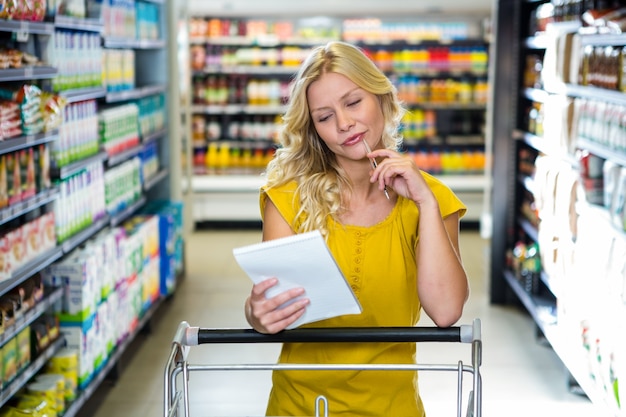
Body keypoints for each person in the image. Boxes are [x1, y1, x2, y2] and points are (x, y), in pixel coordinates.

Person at [244, 40, 470, 416]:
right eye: (324, 116)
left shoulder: (432, 199)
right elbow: (274, 308)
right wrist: (257, 314)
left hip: (393, 407)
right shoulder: (287, 199)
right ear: (313, 128)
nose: (344, 123)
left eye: (352, 103)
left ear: (381, 97)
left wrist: (426, 203)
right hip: (301, 405)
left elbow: (446, 312)